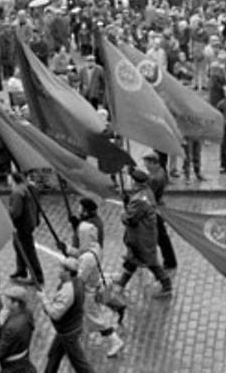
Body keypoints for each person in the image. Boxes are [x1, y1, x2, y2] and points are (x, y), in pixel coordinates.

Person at [63, 223, 124, 358]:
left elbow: (80, 277)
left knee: (96, 320)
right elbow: (81, 253)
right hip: (94, 288)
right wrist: (68, 249)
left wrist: (68, 264)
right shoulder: (96, 247)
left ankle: (116, 341)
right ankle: (81, 338)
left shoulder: (87, 258)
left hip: (88, 293)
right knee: (88, 317)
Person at [114, 165, 174, 299]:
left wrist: (123, 213)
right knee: (132, 260)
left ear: (135, 182)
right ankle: (122, 282)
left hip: (141, 237)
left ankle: (167, 286)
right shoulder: (146, 192)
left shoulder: (139, 200)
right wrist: (126, 199)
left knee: (151, 262)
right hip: (143, 235)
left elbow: (130, 219)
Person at [40, 258, 95, 373]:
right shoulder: (77, 280)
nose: (58, 271)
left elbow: (55, 314)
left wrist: (44, 299)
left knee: (80, 364)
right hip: (67, 329)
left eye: (62, 269)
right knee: (54, 354)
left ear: (68, 273)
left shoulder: (68, 291)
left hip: (68, 333)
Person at [131, 153, 177, 271]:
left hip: (154, 208)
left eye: (146, 163)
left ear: (152, 163)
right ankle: (170, 260)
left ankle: (169, 261)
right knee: (162, 237)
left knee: (160, 237)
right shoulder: (160, 172)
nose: (145, 165)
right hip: (157, 206)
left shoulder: (155, 178)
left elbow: (147, 191)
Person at [8, 173, 43, 286]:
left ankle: (37, 276)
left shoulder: (17, 192)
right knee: (19, 246)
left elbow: (16, 212)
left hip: (22, 225)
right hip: (28, 223)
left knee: (28, 250)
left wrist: (8, 211)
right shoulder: (27, 188)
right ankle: (21, 270)